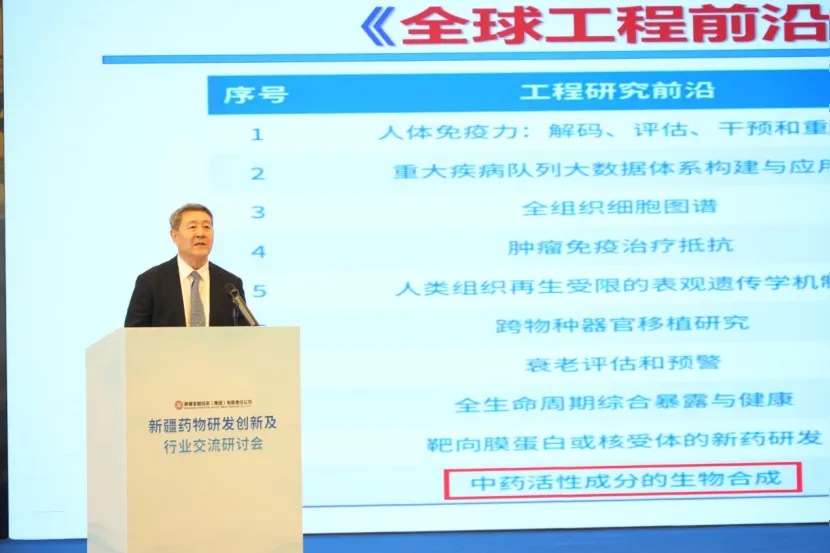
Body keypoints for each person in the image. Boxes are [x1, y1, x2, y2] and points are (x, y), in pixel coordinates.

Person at [124, 203, 249, 327]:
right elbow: (133, 333)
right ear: (174, 235)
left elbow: (245, 333)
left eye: (206, 227)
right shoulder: (150, 282)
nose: (201, 233)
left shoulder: (231, 284)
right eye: (192, 227)